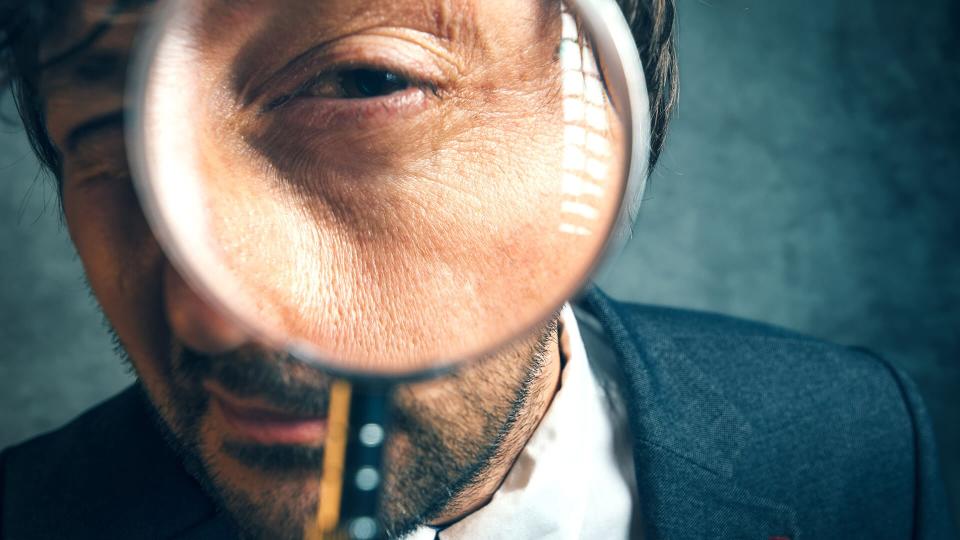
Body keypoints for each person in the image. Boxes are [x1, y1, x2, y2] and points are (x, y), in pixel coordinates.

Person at [0, 1, 956, 539]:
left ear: (603, 114)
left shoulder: (858, 440)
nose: (209, 314)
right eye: (109, 136)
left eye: (365, 83)